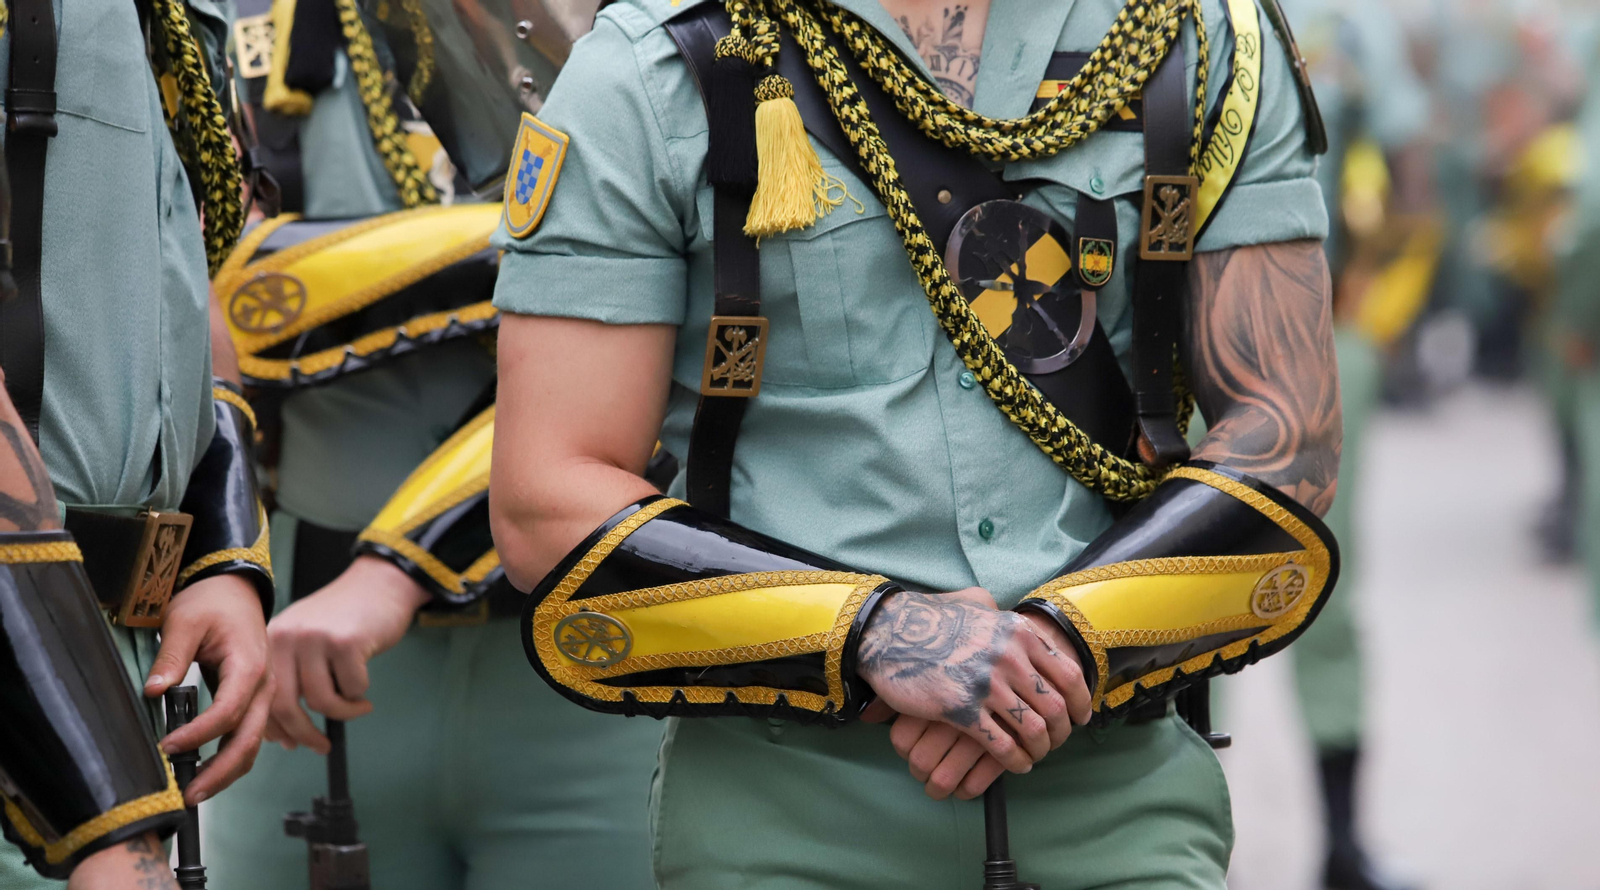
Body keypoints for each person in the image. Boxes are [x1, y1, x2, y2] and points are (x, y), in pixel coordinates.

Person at [490, 0, 1342, 886]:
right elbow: (544, 495)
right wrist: (879, 633)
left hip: (1121, 805)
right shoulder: (657, 63)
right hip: (784, 809)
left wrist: (1055, 651)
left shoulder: (1200, 37)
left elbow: (1289, 439)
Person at [202, 2, 663, 887]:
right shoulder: (252, 29)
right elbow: (216, 295)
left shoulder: (671, 36)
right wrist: (601, 240)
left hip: (601, 662)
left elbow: (706, 321)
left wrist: (396, 571)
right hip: (311, 663)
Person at [0, 0, 277, 884]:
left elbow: (184, 299)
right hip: (42, 703)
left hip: (113, 670)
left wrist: (221, 550)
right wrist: (104, 810)